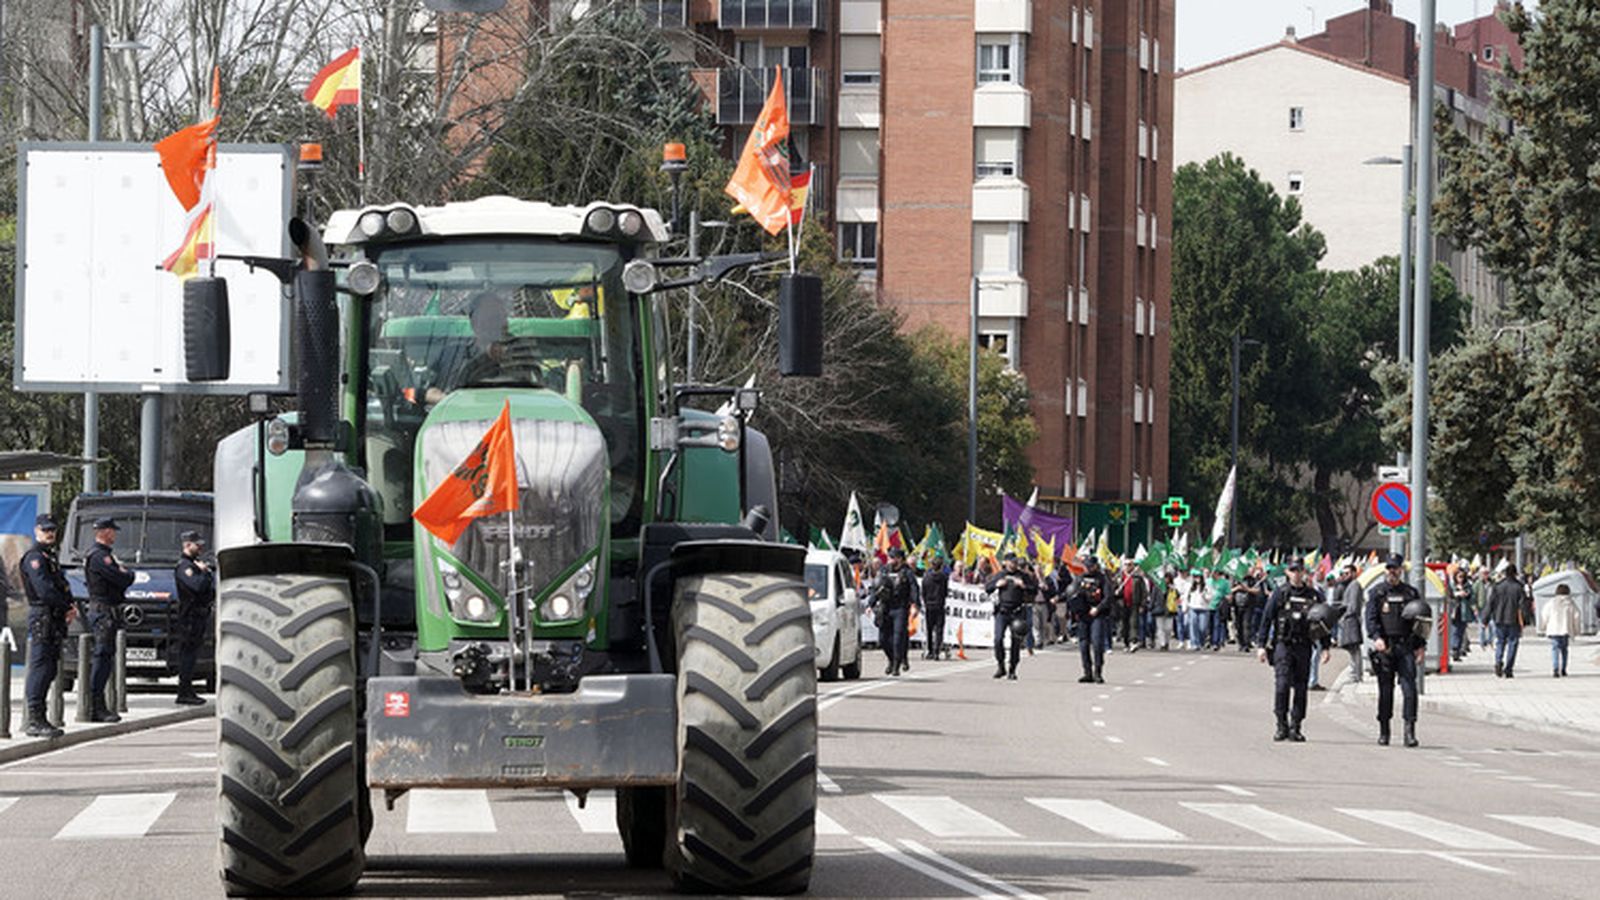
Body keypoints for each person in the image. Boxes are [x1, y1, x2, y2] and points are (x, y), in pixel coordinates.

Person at [1255, 560, 1331, 741]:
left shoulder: (1313, 595)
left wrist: (1326, 647)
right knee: (1282, 685)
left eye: (1299, 570)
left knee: (1301, 687)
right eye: (1293, 570)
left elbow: (1324, 622)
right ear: (1287, 573)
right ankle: (1281, 724)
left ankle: (1296, 725)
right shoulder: (1280, 594)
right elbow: (1267, 619)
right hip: (1283, 644)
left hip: (1304, 645)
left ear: (1304, 572)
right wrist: (1261, 645)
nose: (1297, 573)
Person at [20, 514, 74, 738]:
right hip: (43, 615)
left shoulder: (48, 556)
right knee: (40, 667)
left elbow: (61, 585)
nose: (49, 533)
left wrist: (68, 605)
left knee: (50, 668)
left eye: (52, 529)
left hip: (53, 616)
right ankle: (34, 718)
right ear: (36, 531)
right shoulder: (35, 558)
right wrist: (65, 606)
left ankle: (41, 717)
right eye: (45, 530)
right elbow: (44, 590)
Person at [1365, 553, 1425, 747]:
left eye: (1396, 568)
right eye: (1390, 568)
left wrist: (1420, 646)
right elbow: (1371, 619)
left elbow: (1420, 622)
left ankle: (1409, 731)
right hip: (1386, 647)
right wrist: (1377, 638)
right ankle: (1384, 731)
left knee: (1410, 690)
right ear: (1386, 570)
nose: (1393, 572)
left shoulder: (1411, 593)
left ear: (1401, 570)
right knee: (1385, 691)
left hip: (1405, 646)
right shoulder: (1378, 592)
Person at [83, 517, 133, 723]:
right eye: (112, 531)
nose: (114, 535)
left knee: (106, 659)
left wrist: (124, 574)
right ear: (104, 532)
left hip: (108, 611)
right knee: (102, 658)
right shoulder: (99, 556)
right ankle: (96, 705)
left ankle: (99, 704)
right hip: (103, 611)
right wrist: (126, 573)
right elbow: (123, 578)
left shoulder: (105, 556)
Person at [172, 530, 214, 705]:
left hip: (198, 615)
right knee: (187, 656)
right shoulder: (185, 567)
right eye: (197, 545)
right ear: (187, 545)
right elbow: (197, 586)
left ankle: (188, 690)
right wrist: (204, 573)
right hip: (190, 617)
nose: (201, 548)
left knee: (192, 654)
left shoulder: (193, 565)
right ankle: (184, 691)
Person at [987, 554, 1035, 680]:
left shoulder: (1023, 575)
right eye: (1011, 562)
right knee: (998, 639)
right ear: (1006, 562)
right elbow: (988, 588)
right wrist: (997, 585)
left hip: (1017, 612)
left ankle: (1012, 669)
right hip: (1002, 611)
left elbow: (1034, 589)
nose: (1014, 564)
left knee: (1016, 642)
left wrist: (1023, 585)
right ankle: (1000, 665)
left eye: (1015, 562)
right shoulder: (1000, 574)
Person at [870, 548, 917, 676]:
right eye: (889, 558)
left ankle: (896, 665)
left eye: (892, 558)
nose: (889, 560)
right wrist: (871, 604)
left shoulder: (907, 572)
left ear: (899, 559)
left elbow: (914, 589)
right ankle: (891, 659)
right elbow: (876, 587)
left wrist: (915, 605)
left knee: (898, 638)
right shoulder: (884, 571)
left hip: (900, 608)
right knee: (883, 639)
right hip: (885, 607)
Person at [1071, 556, 1118, 683]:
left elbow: (1108, 597)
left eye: (1089, 566)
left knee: (1097, 644)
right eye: (1086, 565)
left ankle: (1098, 672)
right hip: (1083, 615)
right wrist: (1059, 598)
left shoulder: (1103, 579)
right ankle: (1087, 672)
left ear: (1095, 566)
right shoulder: (1080, 578)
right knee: (1083, 644)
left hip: (1097, 614)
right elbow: (1072, 592)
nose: (1087, 568)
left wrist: (1098, 608)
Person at [1488, 565, 1529, 678]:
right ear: (1515, 573)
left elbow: (1491, 602)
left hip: (1499, 618)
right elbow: (1523, 605)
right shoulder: (1519, 587)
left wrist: (1485, 618)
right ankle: (1509, 669)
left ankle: (1498, 661)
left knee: (1500, 642)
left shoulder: (1498, 586)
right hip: (1513, 619)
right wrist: (1525, 620)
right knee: (1513, 643)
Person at [1541, 583, 1581, 678]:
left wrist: (1543, 626)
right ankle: (1563, 669)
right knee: (1564, 650)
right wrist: (1576, 629)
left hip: (1554, 630)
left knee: (1555, 649)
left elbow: (1545, 614)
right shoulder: (1571, 603)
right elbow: (1577, 616)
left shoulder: (1551, 602)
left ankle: (1555, 668)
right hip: (1565, 630)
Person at [1336, 562, 1365, 683]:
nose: (1344, 576)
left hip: (1351, 620)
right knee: (1352, 648)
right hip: (1349, 619)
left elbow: (1352, 606)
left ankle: (1355, 675)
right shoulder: (1348, 585)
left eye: (1347, 573)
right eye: (1343, 573)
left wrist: (1344, 617)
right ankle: (1355, 673)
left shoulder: (1354, 585)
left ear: (1354, 573)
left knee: (1354, 648)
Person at [920, 555, 949, 661]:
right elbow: (945, 592)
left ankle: (930, 650)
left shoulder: (926, 577)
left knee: (929, 629)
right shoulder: (944, 577)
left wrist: (926, 600)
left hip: (929, 605)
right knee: (939, 629)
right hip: (939, 604)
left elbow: (923, 591)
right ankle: (937, 651)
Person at [1448, 569, 1474, 662]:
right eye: (1459, 577)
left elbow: (1471, 596)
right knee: (1455, 631)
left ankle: (1458, 650)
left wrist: (1466, 593)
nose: (1461, 579)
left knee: (1461, 631)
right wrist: (1457, 594)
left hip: (1464, 612)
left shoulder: (1468, 586)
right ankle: (1454, 649)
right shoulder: (1451, 586)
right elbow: (1449, 596)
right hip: (1455, 611)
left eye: (1463, 577)